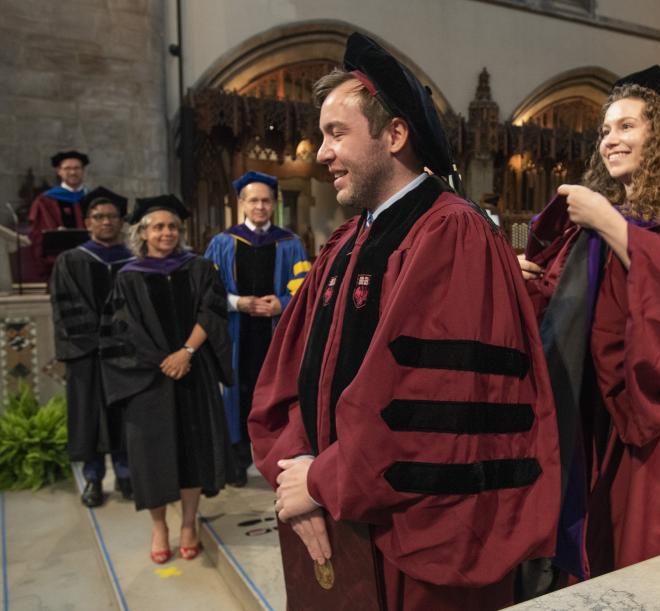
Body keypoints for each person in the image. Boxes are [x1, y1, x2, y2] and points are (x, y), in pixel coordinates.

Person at [248, 33, 559, 610]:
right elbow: (285, 372)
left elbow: (434, 402)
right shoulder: (348, 240)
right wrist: (293, 474)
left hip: (414, 539)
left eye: (336, 134)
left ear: (395, 135)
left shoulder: (453, 235)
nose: (320, 153)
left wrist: (321, 482)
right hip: (335, 519)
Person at [518, 65, 660, 579]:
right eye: (605, 130)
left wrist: (610, 223)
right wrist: (520, 269)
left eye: (627, 126)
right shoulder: (603, 217)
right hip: (592, 419)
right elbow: (554, 291)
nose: (610, 140)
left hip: (656, 426)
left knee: (644, 553)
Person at [100, 195, 232, 564]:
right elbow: (122, 331)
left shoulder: (200, 267)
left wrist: (185, 353)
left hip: (193, 373)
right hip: (147, 381)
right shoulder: (127, 278)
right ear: (142, 232)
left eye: (172, 226)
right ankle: (160, 527)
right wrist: (164, 360)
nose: (167, 233)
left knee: (193, 451)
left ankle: (189, 523)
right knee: (151, 455)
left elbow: (212, 311)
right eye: (158, 226)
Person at [204, 171, 310, 487]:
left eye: (266, 200)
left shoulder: (290, 244)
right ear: (242, 203)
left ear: (273, 203)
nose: (260, 206)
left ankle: (275, 460)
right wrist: (238, 303)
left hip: (276, 332)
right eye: (254, 200)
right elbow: (207, 292)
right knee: (237, 394)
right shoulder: (222, 243)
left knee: (275, 394)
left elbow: (304, 289)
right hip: (236, 334)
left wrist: (280, 303)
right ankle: (237, 462)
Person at [50, 187, 135, 507]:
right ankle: (94, 479)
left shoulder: (134, 261)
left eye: (112, 216)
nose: (106, 222)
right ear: (87, 223)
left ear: (121, 222)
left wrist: (123, 342)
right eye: (99, 217)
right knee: (90, 418)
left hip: (127, 356)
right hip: (86, 356)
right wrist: (98, 342)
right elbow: (65, 310)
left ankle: (127, 476)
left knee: (125, 416)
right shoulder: (70, 261)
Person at [29, 151, 90, 280]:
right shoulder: (45, 200)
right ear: (59, 171)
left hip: (91, 258)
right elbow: (39, 231)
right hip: (60, 258)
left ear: (83, 171)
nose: (73, 172)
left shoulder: (94, 197)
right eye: (67, 168)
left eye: (77, 168)